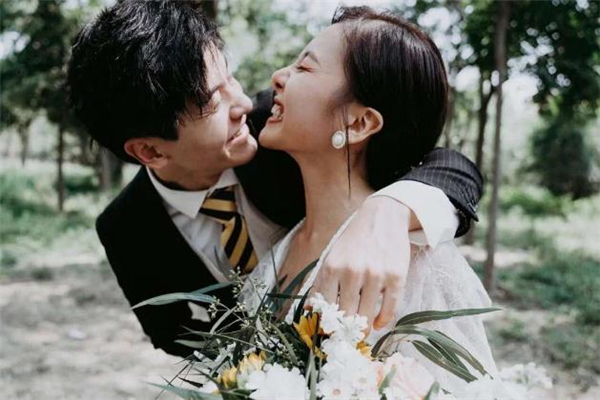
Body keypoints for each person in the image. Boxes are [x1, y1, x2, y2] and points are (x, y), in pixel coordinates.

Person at [67, 1, 483, 358]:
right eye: (212, 102)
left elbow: (445, 162)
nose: (243, 103)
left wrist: (390, 212)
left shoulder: (279, 126)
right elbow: (173, 335)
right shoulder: (125, 229)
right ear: (151, 152)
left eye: (231, 79)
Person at [241, 6, 495, 390]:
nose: (278, 76)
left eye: (304, 68)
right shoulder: (286, 240)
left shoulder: (415, 264)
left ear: (360, 123)